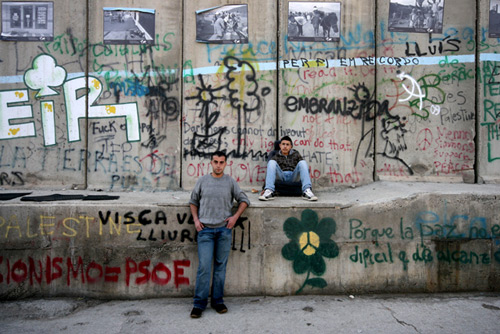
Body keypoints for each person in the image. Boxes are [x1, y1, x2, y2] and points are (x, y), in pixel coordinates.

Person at [189, 151, 250, 318]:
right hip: (205, 231)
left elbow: (244, 200)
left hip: (224, 230)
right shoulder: (202, 181)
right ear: (211, 162)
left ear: (225, 164)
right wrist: (196, 220)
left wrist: (235, 218)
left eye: (221, 162)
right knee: (204, 267)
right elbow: (193, 202)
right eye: (215, 162)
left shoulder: (230, 181)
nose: (218, 165)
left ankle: (217, 301)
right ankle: (199, 304)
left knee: (220, 268)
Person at [259, 136, 318, 201]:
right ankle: (269, 191)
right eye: (283, 144)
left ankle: (307, 191)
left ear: (291, 146)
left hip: (293, 176)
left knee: (302, 162)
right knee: (271, 162)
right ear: (280, 145)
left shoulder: (296, 154)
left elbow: (303, 168)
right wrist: (264, 188)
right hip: (281, 176)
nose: (285, 146)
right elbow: (270, 171)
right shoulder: (275, 156)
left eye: (287, 144)